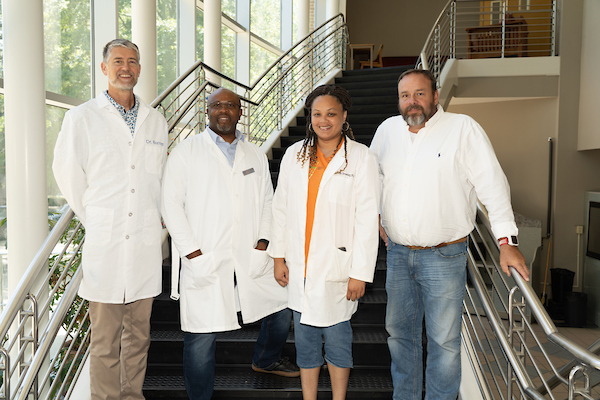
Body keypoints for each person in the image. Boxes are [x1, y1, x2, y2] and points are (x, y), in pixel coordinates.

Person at [369, 69, 530, 400]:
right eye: (404, 95)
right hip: (398, 254)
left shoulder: (463, 129)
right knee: (399, 336)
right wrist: (378, 216)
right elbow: (374, 179)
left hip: (445, 256)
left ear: (435, 96)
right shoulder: (387, 131)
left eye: (419, 94)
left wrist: (507, 243)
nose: (412, 102)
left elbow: (493, 187)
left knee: (444, 341)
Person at [161, 87, 297, 400]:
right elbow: (170, 205)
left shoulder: (255, 154)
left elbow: (267, 200)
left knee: (281, 306)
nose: (224, 109)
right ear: (207, 111)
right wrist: (193, 253)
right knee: (200, 337)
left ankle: (265, 359)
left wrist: (263, 241)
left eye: (231, 105)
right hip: (204, 256)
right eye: (217, 104)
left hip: (252, 253)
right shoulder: (187, 151)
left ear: (240, 112)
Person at [52, 39, 168, 400]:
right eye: (118, 61)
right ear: (104, 68)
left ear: (139, 68)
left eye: (133, 61)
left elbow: (159, 180)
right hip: (106, 244)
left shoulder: (156, 119)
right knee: (104, 341)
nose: (126, 68)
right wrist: (98, 219)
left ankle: (132, 396)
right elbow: (68, 174)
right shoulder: (82, 117)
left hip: (145, 247)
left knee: (139, 339)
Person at [269, 85, 380, 400]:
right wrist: (278, 258)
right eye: (317, 114)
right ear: (310, 118)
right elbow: (280, 209)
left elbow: (367, 218)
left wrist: (361, 272)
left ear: (344, 116)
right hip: (299, 264)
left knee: (338, 339)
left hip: (338, 267)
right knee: (304, 341)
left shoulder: (360, 157)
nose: (324, 120)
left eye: (331, 113)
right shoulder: (294, 155)